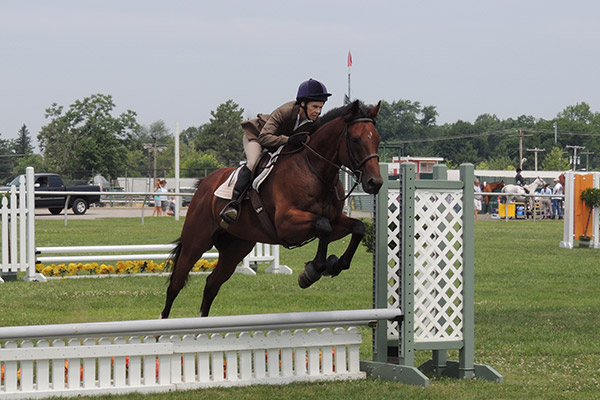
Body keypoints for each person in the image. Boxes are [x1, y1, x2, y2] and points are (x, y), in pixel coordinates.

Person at [219, 78, 332, 224]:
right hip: (257, 137)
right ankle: (234, 204)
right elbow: (265, 138)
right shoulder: (285, 111)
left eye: (320, 107)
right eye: (315, 107)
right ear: (303, 103)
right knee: (253, 163)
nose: (318, 111)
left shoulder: (314, 122)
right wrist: (289, 140)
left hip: (279, 145)